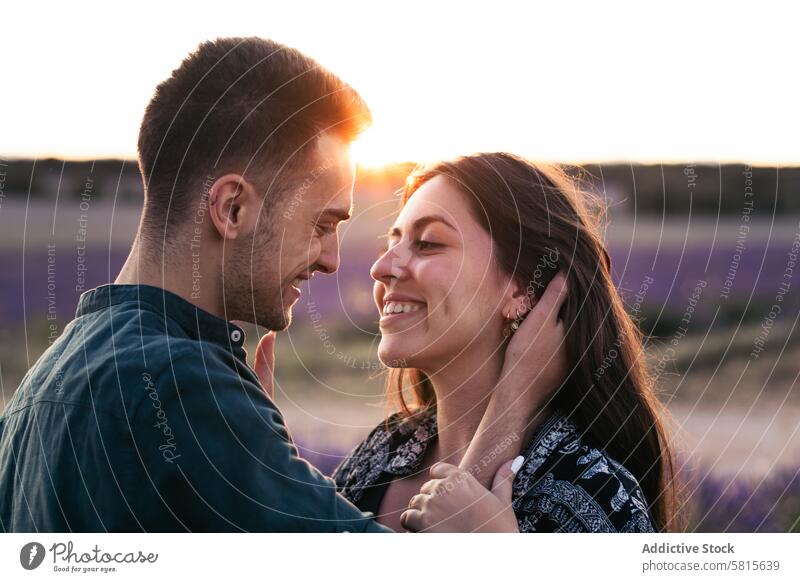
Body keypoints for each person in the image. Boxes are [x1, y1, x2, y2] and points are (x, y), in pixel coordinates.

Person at [0, 38, 564, 532]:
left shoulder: (40, 385)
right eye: (321, 224)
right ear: (232, 207)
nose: (332, 259)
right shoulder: (183, 389)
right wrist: (513, 404)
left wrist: (263, 465)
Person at [333, 153, 680, 532]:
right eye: (392, 241)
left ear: (522, 287)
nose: (380, 268)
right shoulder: (384, 452)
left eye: (428, 243)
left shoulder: (589, 492)